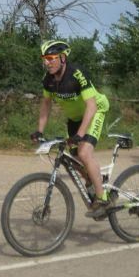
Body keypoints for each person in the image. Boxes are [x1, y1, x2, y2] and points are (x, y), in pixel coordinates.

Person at [31, 40, 111, 218]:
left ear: (63, 57)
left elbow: (91, 106)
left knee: (83, 153)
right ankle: (95, 178)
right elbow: (46, 104)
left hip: (96, 110)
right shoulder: (48, 80)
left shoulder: (77, 74)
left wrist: (80, 135)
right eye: (45, 59)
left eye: (51, 58)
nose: (47, 62)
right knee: (74, 159)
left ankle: (103, 199)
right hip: (75, 119)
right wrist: (40, 131)